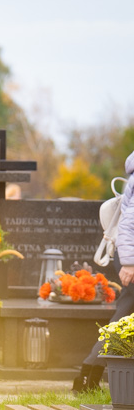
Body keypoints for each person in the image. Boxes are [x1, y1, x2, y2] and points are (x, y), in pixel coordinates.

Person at [74, 149, 134, 392]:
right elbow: (129, 222)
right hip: (131, 256)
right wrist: (129, 262)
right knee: (123, 316)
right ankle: (88, 375)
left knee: (123, 315)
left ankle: (89, 375)